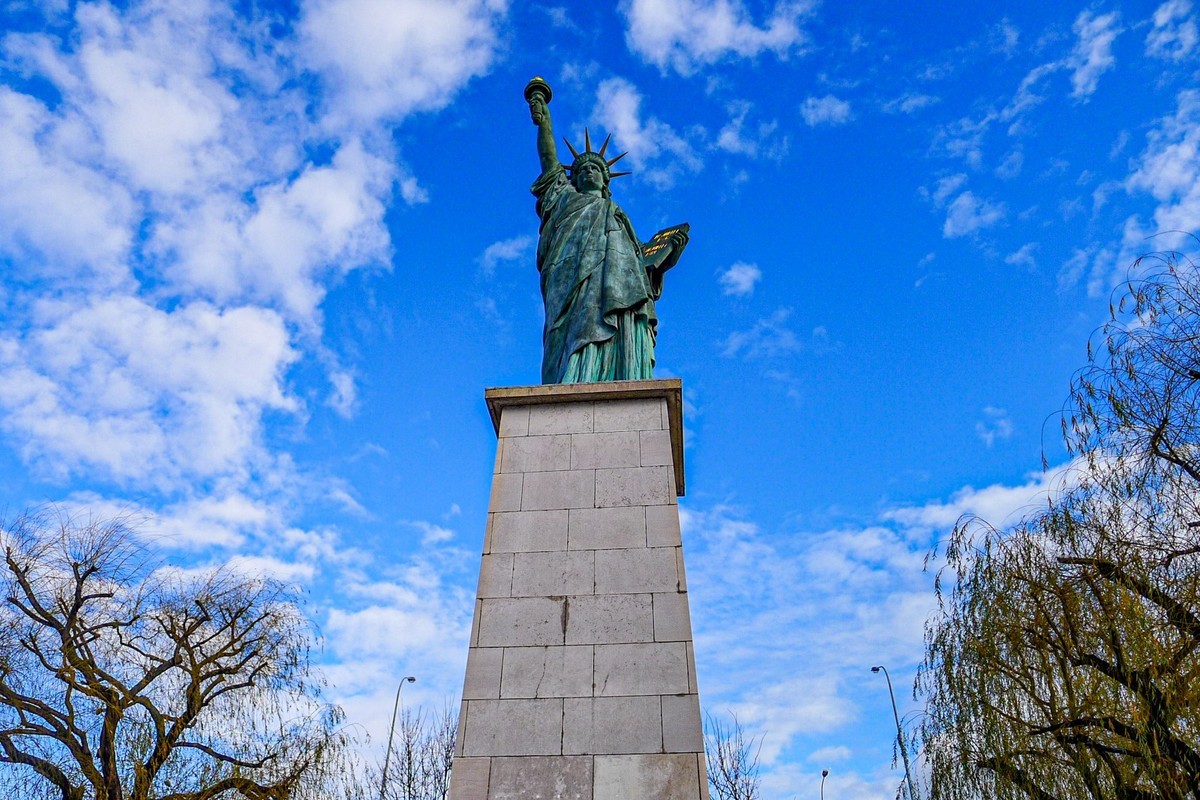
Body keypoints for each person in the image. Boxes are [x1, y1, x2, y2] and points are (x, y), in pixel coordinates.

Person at [527, 82, 688, 384]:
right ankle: (577, 377)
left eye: (595, 170)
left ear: (605, 181)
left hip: (620, 291)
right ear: (571, 180)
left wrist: (666, 257)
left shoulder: (618, 216)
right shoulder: (564, 199)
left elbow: (641, 267)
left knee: (624, 317)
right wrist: (543, 116)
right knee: (575, 329)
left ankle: (623, 374)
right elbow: (549, 159)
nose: (588, 172)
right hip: (573, 282)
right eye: (581, 170)